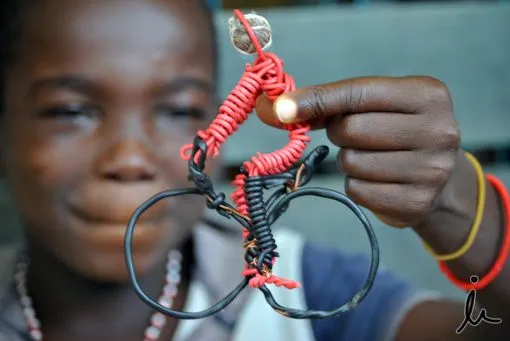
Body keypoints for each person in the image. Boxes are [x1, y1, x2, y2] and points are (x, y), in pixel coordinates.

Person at [0, 0, 508, 340]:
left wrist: (463, 213)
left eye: (178, 110)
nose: (129, 159)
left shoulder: (310, 285)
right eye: (70, 111)